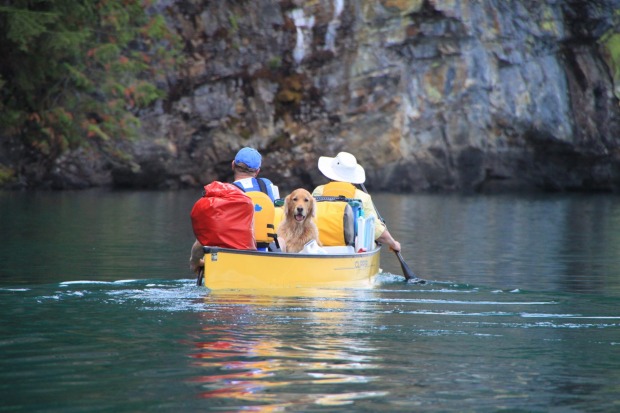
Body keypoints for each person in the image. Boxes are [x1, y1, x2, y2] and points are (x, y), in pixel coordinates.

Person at [189, 147, 280, 273]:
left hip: (232, 255)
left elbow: (209, 234)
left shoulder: (223, 192)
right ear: (257, 171)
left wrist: (195, 260)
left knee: (204, 239)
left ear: (233, 165)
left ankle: (195, 263)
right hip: (265, 252)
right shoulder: (268, 185)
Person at [312, 151, 402, 252]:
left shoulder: (318, 191)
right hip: (349, 248)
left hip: (319, 246)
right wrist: (393, 243)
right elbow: (377, 231)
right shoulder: (362, 197)